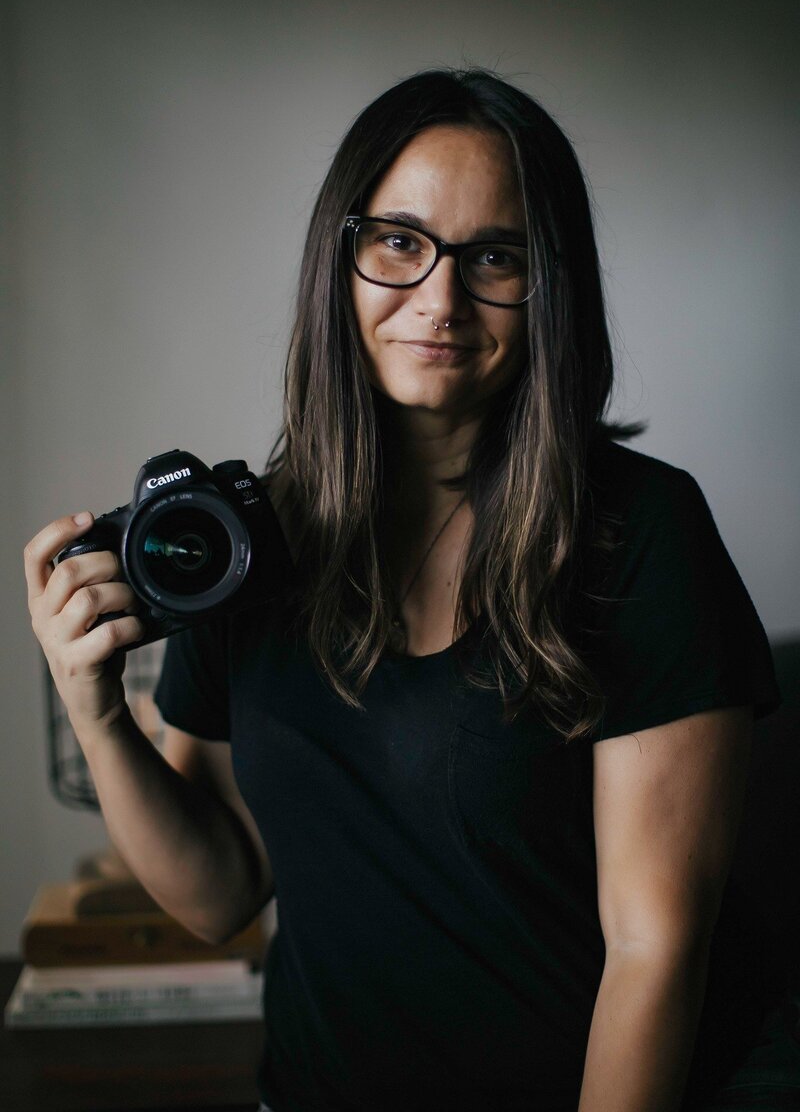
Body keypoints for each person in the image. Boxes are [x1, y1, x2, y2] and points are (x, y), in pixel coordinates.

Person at [25, 68, 800, 1112]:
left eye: (493, 256)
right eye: (399, 241)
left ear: (547, 286)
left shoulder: (640, 531)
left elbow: (650, 946)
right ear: (337, 262)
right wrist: (95, 709)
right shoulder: (245, 538)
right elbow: (217, 897)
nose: (438, 299)